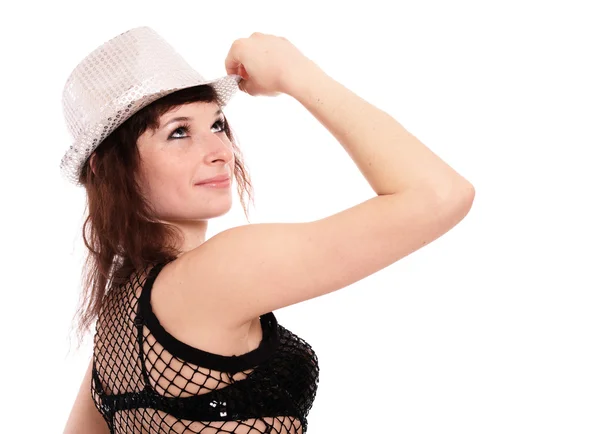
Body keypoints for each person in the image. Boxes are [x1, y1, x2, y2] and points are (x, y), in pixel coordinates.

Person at [63, 27, 475, 433]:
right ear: (106, 169)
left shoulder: (117, 318)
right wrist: (297, 73)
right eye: (179, 132)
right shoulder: (219, 270)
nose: (219, 153)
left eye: (218, 125)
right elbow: (441, 194)